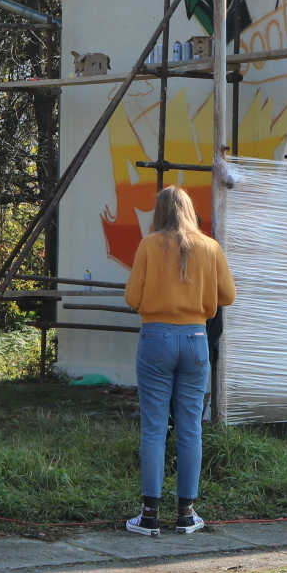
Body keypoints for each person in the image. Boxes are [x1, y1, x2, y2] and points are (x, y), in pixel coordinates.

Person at [122, 185, 234, 538]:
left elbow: (132, 298)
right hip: (196, 338)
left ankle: (149, 515)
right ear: (189, 210)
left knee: (154, 429)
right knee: (191, 428)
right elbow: (228, 295)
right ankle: (186, 514)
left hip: (155, 338)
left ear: (160, 212)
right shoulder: (210, 246)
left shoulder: (149, 245)